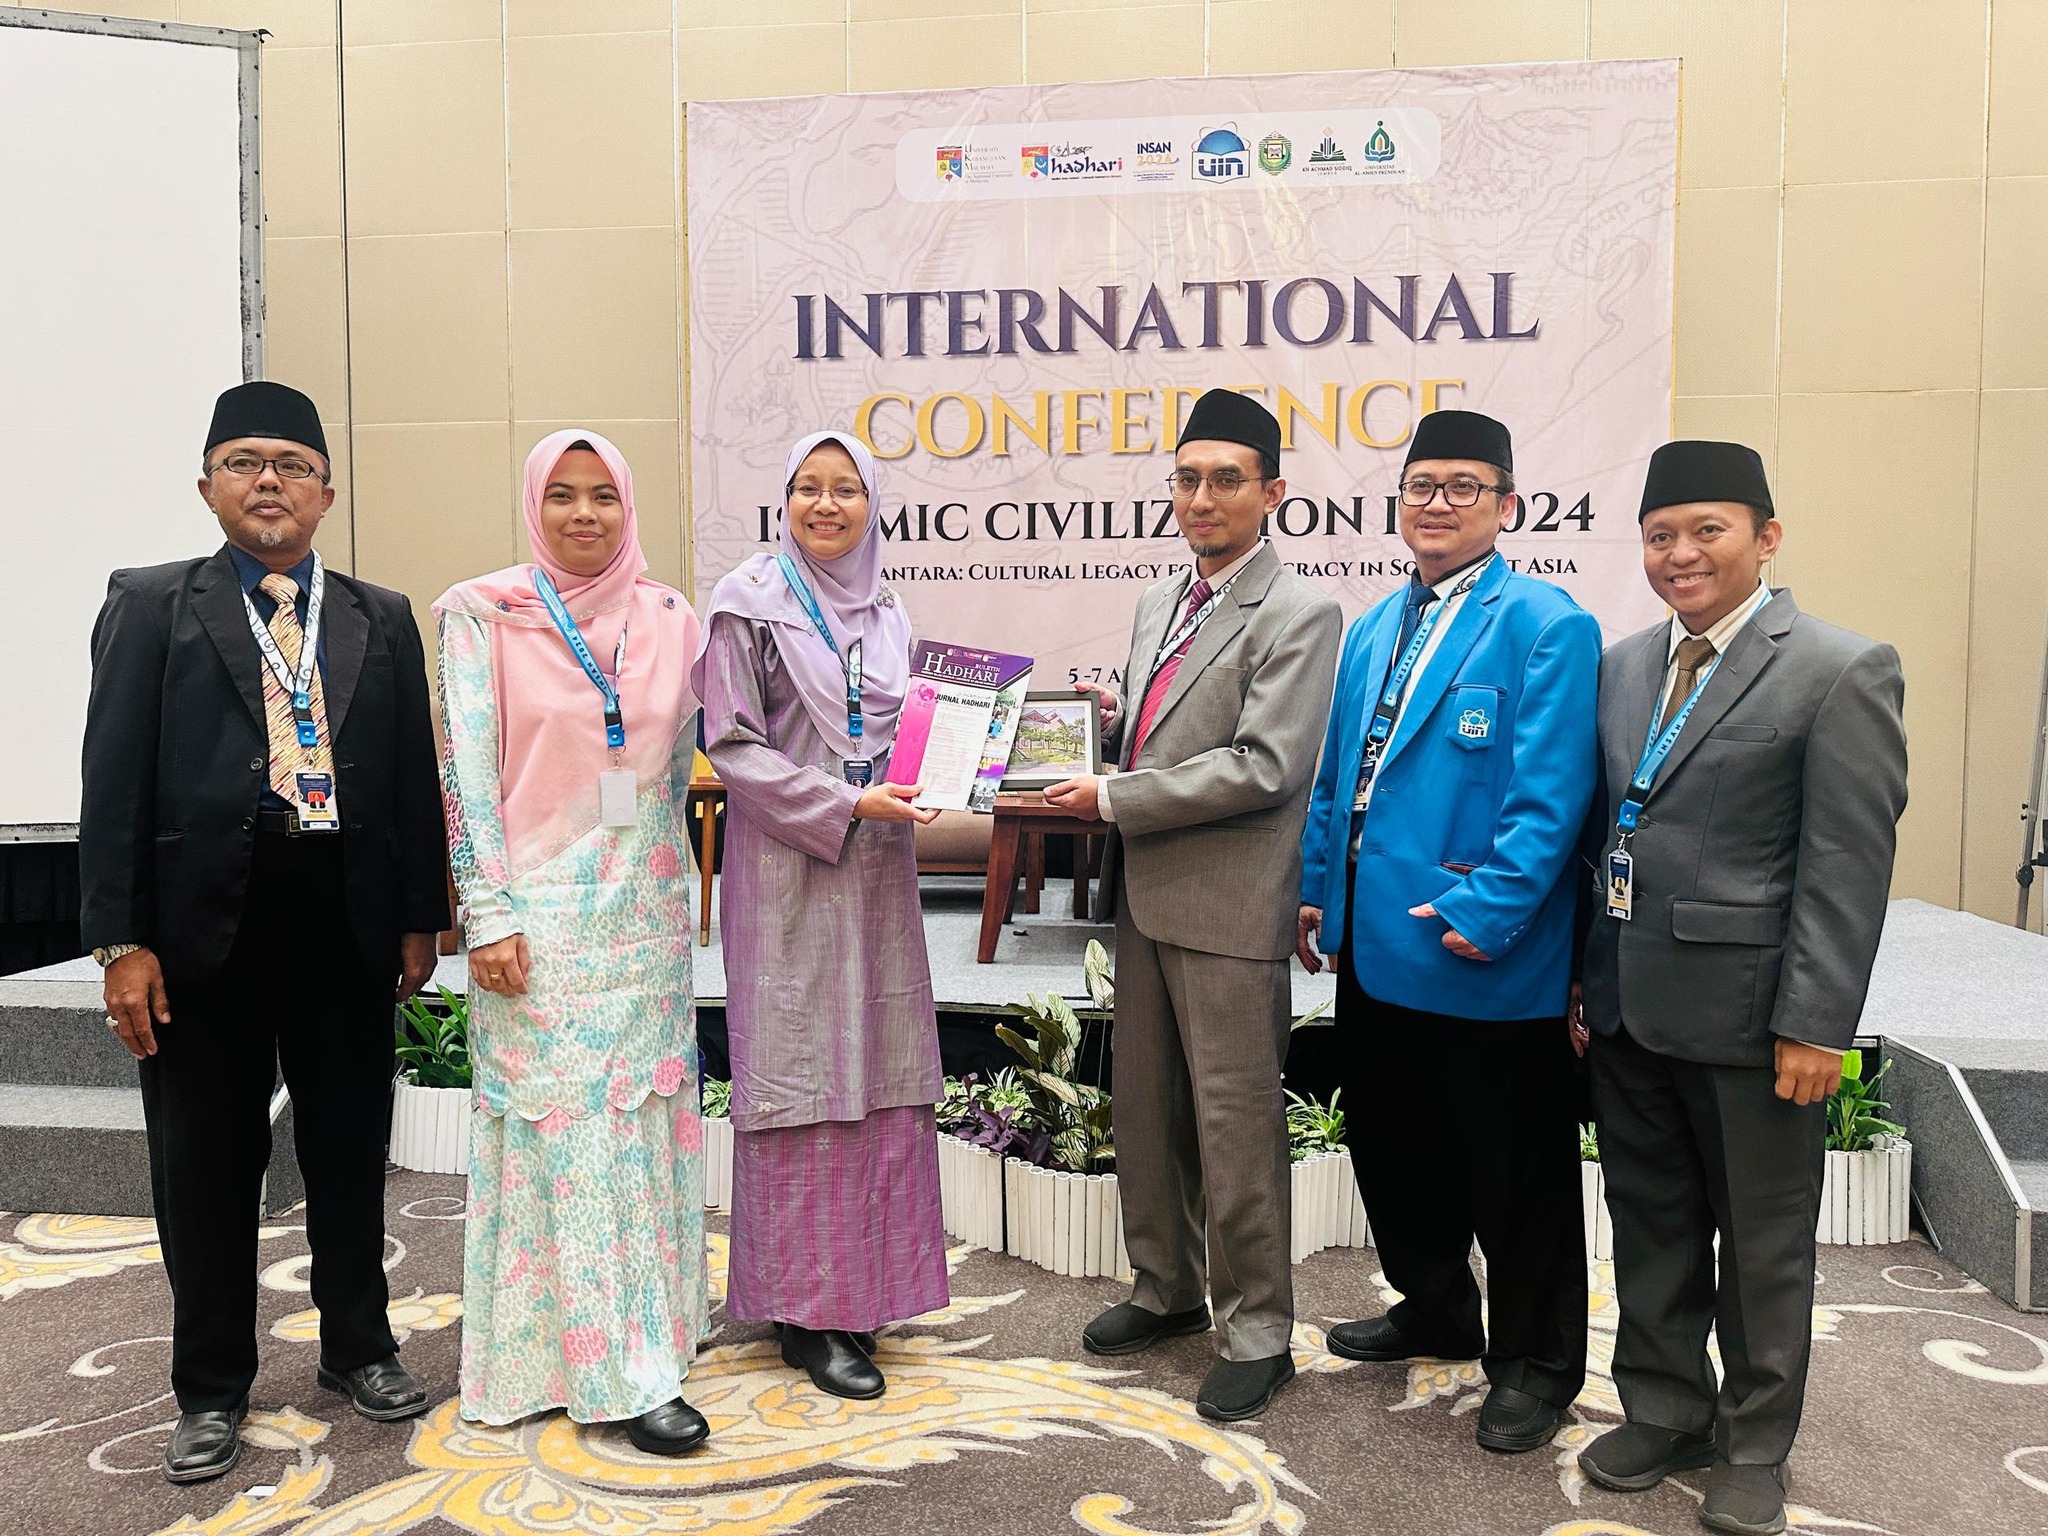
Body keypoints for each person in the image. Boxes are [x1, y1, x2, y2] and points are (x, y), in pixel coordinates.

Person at [79, 381, 448, 1484]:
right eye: (245, 462)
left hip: (344, 919)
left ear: (327, 492)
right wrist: (120, 942)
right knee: (204, 1166)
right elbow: (111, 779)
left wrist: (420, 916)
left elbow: (410, 779)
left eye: (293, 465)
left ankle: (359, 1347)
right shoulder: (152, 604)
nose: (270, 481)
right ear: (208, 487)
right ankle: (209, 1388)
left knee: (347, 1148)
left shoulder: (380, 615)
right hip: (201, 934)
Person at [1572, 441, 1906, 1536]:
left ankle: (1755, 1444)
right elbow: (1601, 836)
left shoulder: (1838, 668)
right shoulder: (1622, 665)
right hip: (1627, 1004)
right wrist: (1582, 983)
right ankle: (1664, 1408)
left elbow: (1845, 867)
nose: (1680, 554)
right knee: (1650, 1223)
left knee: (1762, 1247)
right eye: (1659, 535)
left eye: (1706, 531)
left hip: (1756, 1022)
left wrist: (1817, 1023)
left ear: (1766, 538)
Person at [1297, 408, 1601, 1454]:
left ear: (1506, 505)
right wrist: (1316, 889)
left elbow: (1552, 795)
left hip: (1478, 946)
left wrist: (1492, 909)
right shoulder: (1375, 624)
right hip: (1372, 942)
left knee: (1512, 1172)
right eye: (1421, 485)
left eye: (1463, 486)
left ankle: (1536, 1363)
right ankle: (1434, 1307)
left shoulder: (1545, 623)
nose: (1437, 502)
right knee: (1395, 1149)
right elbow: (1340, 776)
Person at [1043, 389, 1341, 1423]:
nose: (1201, 498)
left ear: (1272, 492)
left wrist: (1113, 795)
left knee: (1233, 1123)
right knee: (1148, 1108)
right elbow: (1175, 726)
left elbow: (1264, 765)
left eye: (1225, 479)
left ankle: (1258, 1330)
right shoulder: (1160, 602)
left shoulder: (1299, 612)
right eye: (1186, 478)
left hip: (1228, 903)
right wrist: (1116, 728)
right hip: (1145, 898)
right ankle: (1166, 1287)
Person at [435, 431, 711, 1453]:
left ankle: (655, 1336)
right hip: (540, 919)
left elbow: (687, 766)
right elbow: (464, 776)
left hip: (645, 915)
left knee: (642, 1126)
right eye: (562, 494)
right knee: (570, 1135)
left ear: (628, 506)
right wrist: (487, 912)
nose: (583, 514)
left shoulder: (671, 617)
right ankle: (610, 1372)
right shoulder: (484, 614)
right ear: (533, 504)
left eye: (603, 496)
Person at [693, 430, 948, 1400]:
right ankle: (804, 1312)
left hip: (878, 875)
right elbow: (731, 744)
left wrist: (963, 757)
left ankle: (864, 1293)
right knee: (799, 1074)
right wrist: (844, 802)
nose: (827, 505)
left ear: (872, 506)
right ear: (785, 499)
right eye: (809, 487)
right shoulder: (745, 603)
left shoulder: (887, 608)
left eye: (847, 489)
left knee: (880, 1070)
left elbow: (909, 731)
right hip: (789, 869)